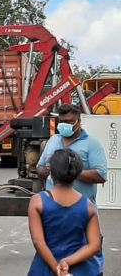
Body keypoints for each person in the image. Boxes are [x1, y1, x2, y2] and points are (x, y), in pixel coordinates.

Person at [36, 104, 107, 274]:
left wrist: (70, 172)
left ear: (78, 121)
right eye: (61, 121)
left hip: (80, 212)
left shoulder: (91, 144)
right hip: (54, 213)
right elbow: (39, 167)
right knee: (52, 253)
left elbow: (101, 175)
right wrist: (44, 171)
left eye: (68, 121)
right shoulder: (53, 140)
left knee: (86, 257)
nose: (64, 125)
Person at [28, 149, 102, 276]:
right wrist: (67, 261)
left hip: (45, 269)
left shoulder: (38, 202)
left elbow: (38, 242)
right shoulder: (88, 206)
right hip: (81, 269)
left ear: (50, 172)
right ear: (77, 173)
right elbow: (95, 246)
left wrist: (56, 267)